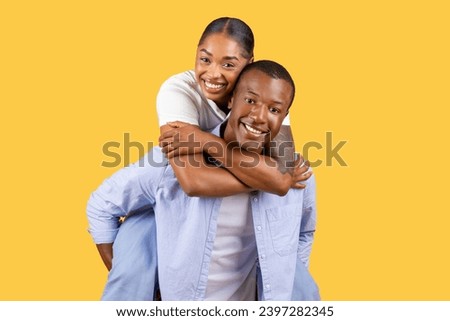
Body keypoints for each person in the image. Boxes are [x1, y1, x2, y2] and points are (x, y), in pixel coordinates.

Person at [90, 17, 313, 300]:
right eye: (205, 59)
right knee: (137, 243)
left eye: (229, 64)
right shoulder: (179, 91)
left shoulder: (269, 94)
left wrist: (283, 281)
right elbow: (193, 182)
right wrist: (138, 289)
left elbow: (283, 178)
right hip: (173, 194)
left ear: (248, 64)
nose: (213, 74)